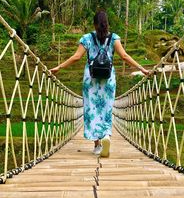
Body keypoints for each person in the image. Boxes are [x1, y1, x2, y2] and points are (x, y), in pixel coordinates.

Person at [50, 11, 149, 157]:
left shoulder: (87, 38)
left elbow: (76, 57)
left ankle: (97, 145)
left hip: (91, 79)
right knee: (107, 108)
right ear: (107, 23)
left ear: (94, 24)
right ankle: (107, 134)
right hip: (108, 79)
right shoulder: (114, 38)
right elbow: (124, 56)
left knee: (92, 109)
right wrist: (142, 68)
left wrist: (59, 67)